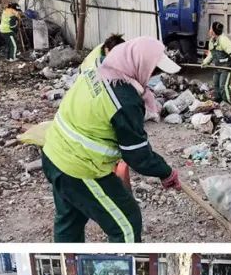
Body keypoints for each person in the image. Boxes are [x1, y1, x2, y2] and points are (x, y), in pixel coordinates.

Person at [42, 37, 182, 243]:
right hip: (79, 168)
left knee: (70, 221)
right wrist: (166, 172)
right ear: (138, 63)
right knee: (126, 224)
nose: (152, 76)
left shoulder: (98, 67)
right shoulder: (124, 100)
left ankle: (70, 270)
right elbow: (138, 156)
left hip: (53, 154)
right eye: (152, 70)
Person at [201, 21, 231, 104]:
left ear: (213, 31)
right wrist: (205, 62)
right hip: (217, 67)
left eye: (210, 28)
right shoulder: (212, 41)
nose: (209, 30)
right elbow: (211, 54)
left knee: (223, 86)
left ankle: (228, 103)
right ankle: (218, 101)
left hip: (226, 67)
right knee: (216, 85)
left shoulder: (223, 40)